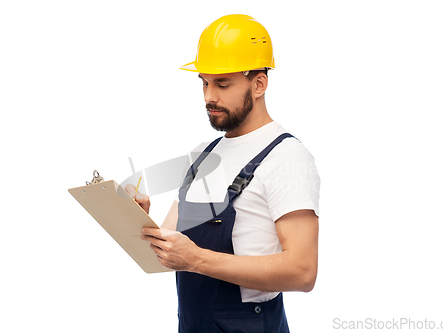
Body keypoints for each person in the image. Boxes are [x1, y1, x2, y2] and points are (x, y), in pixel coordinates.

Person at [126, 14, 320, 333]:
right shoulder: (204, 155)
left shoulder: (287, 157)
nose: (208, 97)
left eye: (222, 83)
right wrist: (137, 222)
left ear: (259, 83)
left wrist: (197, 260)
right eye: (204, 82)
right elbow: (167, 253)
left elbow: (302, 272)